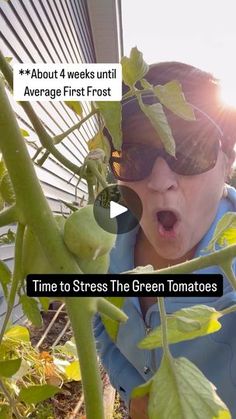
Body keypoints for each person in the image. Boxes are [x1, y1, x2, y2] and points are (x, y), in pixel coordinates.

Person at [94, 62, 236, 418]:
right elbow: (99, 318)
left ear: (227, 162)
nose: (160, 182)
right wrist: (132, 389)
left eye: (189, 152)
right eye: (134, 157)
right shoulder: (109, 227)